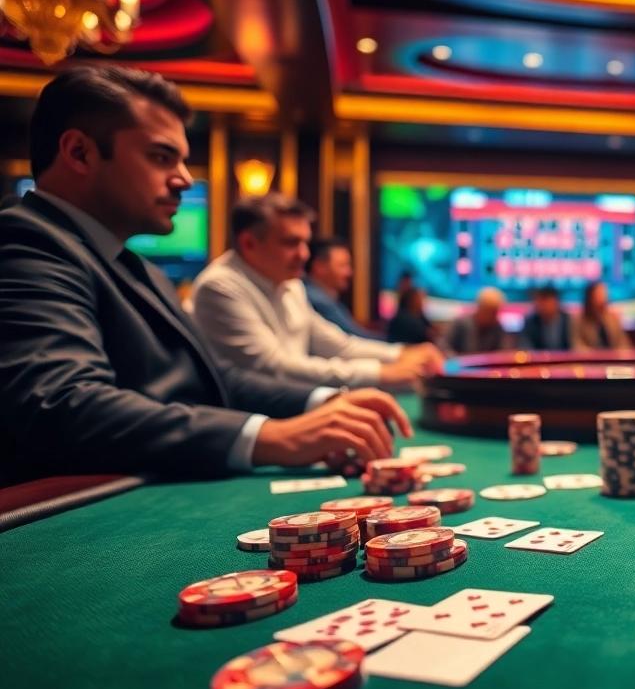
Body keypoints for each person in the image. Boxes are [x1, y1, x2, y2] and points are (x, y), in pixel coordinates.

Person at [0, 66, 411, 486]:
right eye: (161, 157)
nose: (185, 178)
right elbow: (62, 404)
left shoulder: (136, 267)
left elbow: (215, 376)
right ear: (79, 153)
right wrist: (272, 437)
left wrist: (323, 401)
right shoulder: (22, 243)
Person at [190, 193, 442, 389]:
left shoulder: (289, 283)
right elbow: (272, 368)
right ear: (249, 243)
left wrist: (403, 353)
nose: (304, 255)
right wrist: (382, 372)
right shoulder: (220, 286)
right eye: (291, 243)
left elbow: (338, 346)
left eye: (305, 243)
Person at [304, 236, 382, 339]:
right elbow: (352, 338)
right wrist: (399, 347)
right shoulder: (317, 299)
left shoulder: (325, 297)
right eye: (343, 265)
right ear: (319, 267)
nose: (349, 273)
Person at [442, 287, 508, 354]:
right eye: (491, 312)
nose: (495, 316)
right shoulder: (460, 324)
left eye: (496, 312)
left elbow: (501, 353)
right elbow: (444, 348)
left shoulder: (497, 328)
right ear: (481, 309)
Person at [573, 280, 632, 351]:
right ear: (590, 296)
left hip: (614, 360)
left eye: (604, 293)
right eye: (599, 293)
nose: (603, 297)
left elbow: (624, 343)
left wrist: (620, 354)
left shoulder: (612, 318)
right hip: (590, 360)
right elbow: (577, 346)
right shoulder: (578, 320)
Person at [518, 285, 573, 351]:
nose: (540, 305)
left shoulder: (569, 321)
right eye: (538, 301)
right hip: (538, 360)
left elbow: (575, 348)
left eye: (545, 300)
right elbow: (526, 347)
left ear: (556, 301)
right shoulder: (530, 322)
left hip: (567, 360)